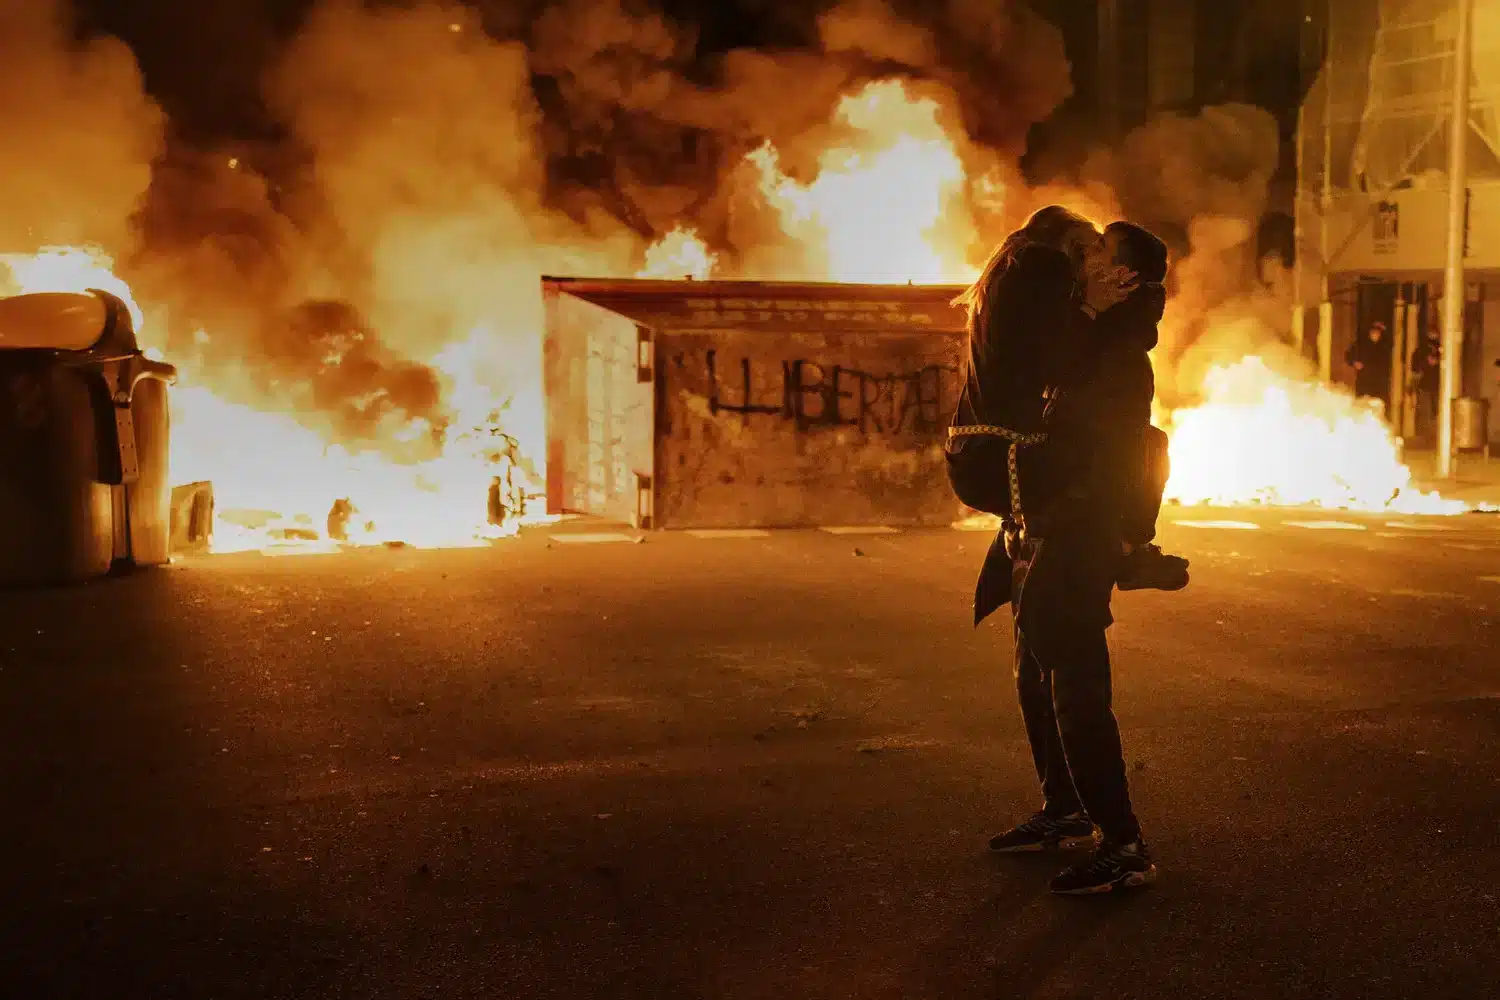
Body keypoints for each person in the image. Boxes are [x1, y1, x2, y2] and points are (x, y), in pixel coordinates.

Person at [980, 222, 1174, 896]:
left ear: (1126, 280)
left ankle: (1124, 844)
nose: (1081, 266)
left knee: (1078, 691)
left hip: (1076, 536)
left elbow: (1129, 453)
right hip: (1046, 530)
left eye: (1098, 258)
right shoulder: (1088, 336)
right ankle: (1065, 812)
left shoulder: (1116, 354)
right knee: (1036, 677)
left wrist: (1120, 538)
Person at [1039, 221, 1189, 593]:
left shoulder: (1113, 347)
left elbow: (1118, 446)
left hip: (1078, 525)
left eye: (1101, 247)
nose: (1089, 253)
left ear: (1121, 275)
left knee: (1067, 628)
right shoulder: (1112, 331)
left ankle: (1129, 553)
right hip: (1079, 517)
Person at [1346, 320, 1392, 411]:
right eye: (1374, 332)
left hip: (1378, 386)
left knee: (1376, 408)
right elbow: (1348, 356)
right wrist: (1355, 363)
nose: (1375, 335)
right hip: (1364, 383)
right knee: (1362, 408)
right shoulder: (1361, 344)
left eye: (1378, 333)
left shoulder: (1383, 347)